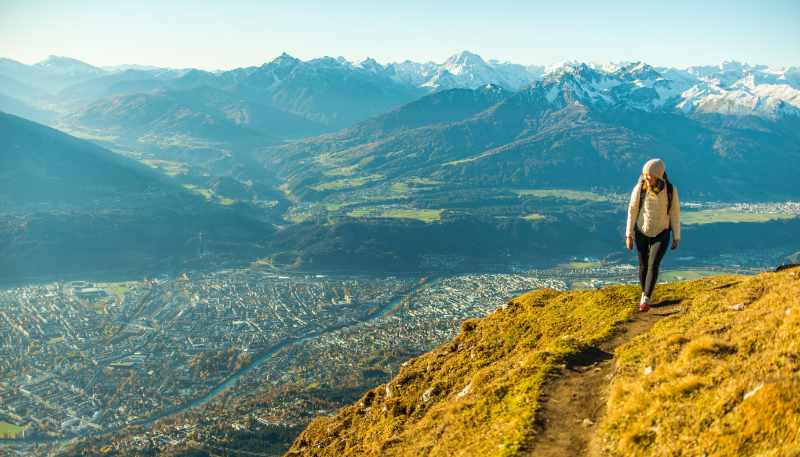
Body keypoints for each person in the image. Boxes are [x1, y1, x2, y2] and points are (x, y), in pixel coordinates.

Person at [625, 158, 680, 312]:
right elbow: (632, 211)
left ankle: (646, 298)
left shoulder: (670, 190)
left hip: (662, 231)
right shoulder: (640, 188)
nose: (646, 177)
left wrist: (676, 236)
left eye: (649, 175)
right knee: (643, 265)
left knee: (653, 264)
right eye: (645, 174)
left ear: (658, 175)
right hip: (641, 231)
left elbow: (674, 213)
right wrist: (629, 235)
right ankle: (644, 294)